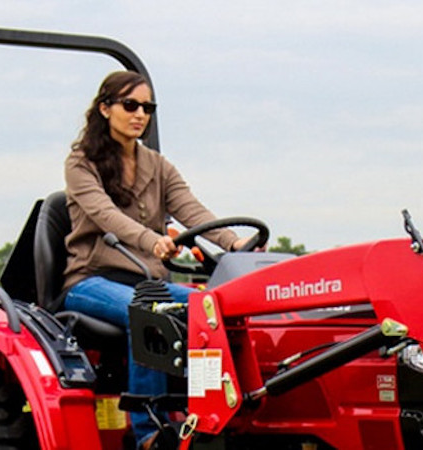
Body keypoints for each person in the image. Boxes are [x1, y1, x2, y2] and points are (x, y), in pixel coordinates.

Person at [60, 70, 255, 448]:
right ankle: (148, 432)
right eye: (130, 105)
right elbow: (105, 215)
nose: (140, 115)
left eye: (147, 108)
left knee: (212, 307)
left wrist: (234, 244)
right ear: (105, 108)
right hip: (92, 279)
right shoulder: (81, 163)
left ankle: (224, 414)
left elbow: (193, 212)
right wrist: (151, 241)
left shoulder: (158, 166)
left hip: (145, 280)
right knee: (151, 313)